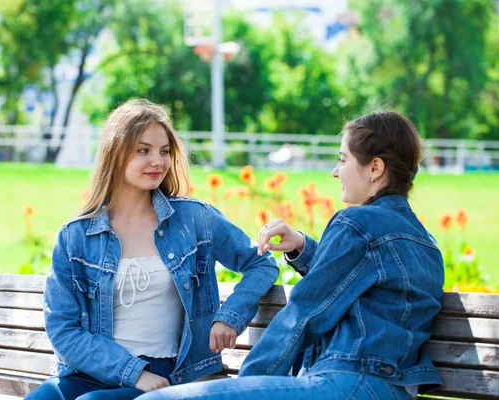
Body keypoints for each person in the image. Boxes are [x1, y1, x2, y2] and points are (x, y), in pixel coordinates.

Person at [137, 111, 445, 400]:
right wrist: (301, 246)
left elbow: (304, 313)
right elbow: (357, 283)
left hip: (347, 382)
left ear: (375, 168)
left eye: (343, 159)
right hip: (394, 389)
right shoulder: (426, 244)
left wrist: (250, 384)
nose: (336, 172)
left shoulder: (357, 223)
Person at [25, 99, 279, 400]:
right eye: (143, 150)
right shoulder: (75, 237)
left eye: (164, 151)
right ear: (115, 154)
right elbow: (63, 329)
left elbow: (261, 263)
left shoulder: (195, 219)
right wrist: (134, 373)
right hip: (95, 372)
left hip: (169, 375)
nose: (157, 161)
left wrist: (230, 316)